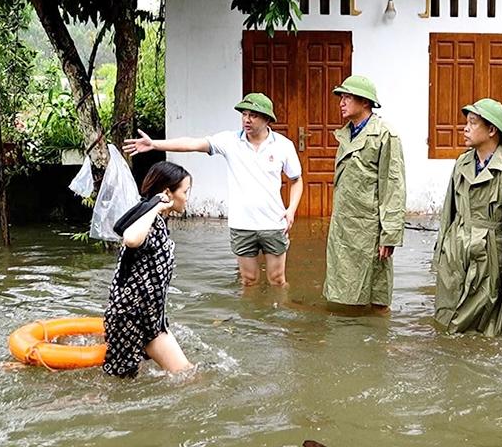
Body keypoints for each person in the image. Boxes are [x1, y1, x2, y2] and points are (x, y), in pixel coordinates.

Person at [123, 93, 303, 287]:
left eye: (253, 115)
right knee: (248, 280)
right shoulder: (230, 141)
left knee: (277, 280)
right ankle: (249, 317)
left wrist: (291, 209)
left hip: (273, 223)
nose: (247, 119)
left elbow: (296, 180)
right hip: (242, 225)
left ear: (267, 119)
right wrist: (154, 144)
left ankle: (278, 315)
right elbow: (192, 144)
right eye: (244, 114)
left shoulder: (283, 146)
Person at [433, 98, 502, 335]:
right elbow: (449, 212)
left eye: (473, 123)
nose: (465, 128)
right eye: (466, 122)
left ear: (492, 130)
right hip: (456, 252)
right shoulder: (462, 163)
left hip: (489, 259)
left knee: (485, 331)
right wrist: (441, 253)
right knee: (446, 320)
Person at [103, 161, 194, 378]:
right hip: (131, 320)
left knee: (186, 374)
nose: (188, 197)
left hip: (150, 320)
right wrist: (157, 206)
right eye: (185, 191)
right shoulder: (149, 222)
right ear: (167, 193)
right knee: (115, 387)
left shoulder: (159, 223)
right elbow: (131, 239)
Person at [324, 75, 406, 313]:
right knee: (344, 291)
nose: (341, 102)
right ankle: (349, 338)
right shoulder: (346, 134)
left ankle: (377, 340)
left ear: (365, 102)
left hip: (369, 228)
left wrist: (389, 234)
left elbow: (393, 185)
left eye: (347, 97)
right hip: (344, 225)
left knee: (376, 291)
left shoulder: (385, 135)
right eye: (341, 97)